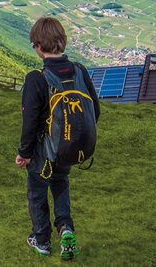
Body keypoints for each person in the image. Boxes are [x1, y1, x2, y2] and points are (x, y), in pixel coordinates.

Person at [15, 17, 100, 260]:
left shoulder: (36, 78)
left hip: (44, 152)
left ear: (39, 46)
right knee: (60, 184)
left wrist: (24, 153)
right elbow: (95, 110)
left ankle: (41, 241)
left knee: (37, 193)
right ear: (62, 41)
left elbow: (30, 122)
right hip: (70, 149)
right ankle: (66, 229)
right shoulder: (80, 71)